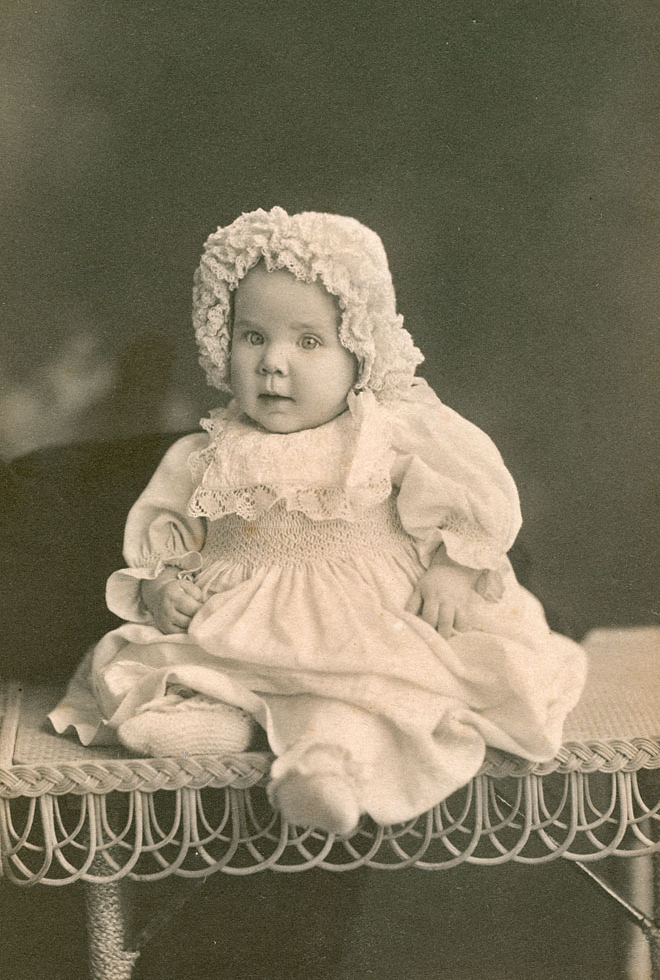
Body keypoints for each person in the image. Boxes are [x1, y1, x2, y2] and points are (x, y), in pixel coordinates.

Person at [49, 207, 587, 836]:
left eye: (308, 341)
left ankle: (324, 767)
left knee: (357, 693)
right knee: (168, 670)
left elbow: (471, 500)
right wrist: (161, 588)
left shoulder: (385, 432)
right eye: (252, 336)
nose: (274, 363)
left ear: (359, 348)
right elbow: (167, 539)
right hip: (238, 620)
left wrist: (452, 567)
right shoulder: (208, 452)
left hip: (368, 617)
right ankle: (219, 717)